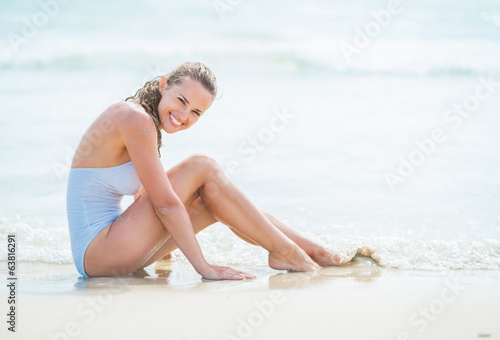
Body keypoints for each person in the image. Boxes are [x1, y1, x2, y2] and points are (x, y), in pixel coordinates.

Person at [66, 61, 346, 280]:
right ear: (164, 84)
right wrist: (204, 267)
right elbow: (163, 204)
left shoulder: (145, 122)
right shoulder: (135, 119)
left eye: (197, 113)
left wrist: (163, 257)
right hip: (98, 253)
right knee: (203, 166)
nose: (185, 116)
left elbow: (145, 198)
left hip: (110, 253)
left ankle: (313, 250)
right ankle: (288, 252)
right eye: (182, 101)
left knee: (211, 198)